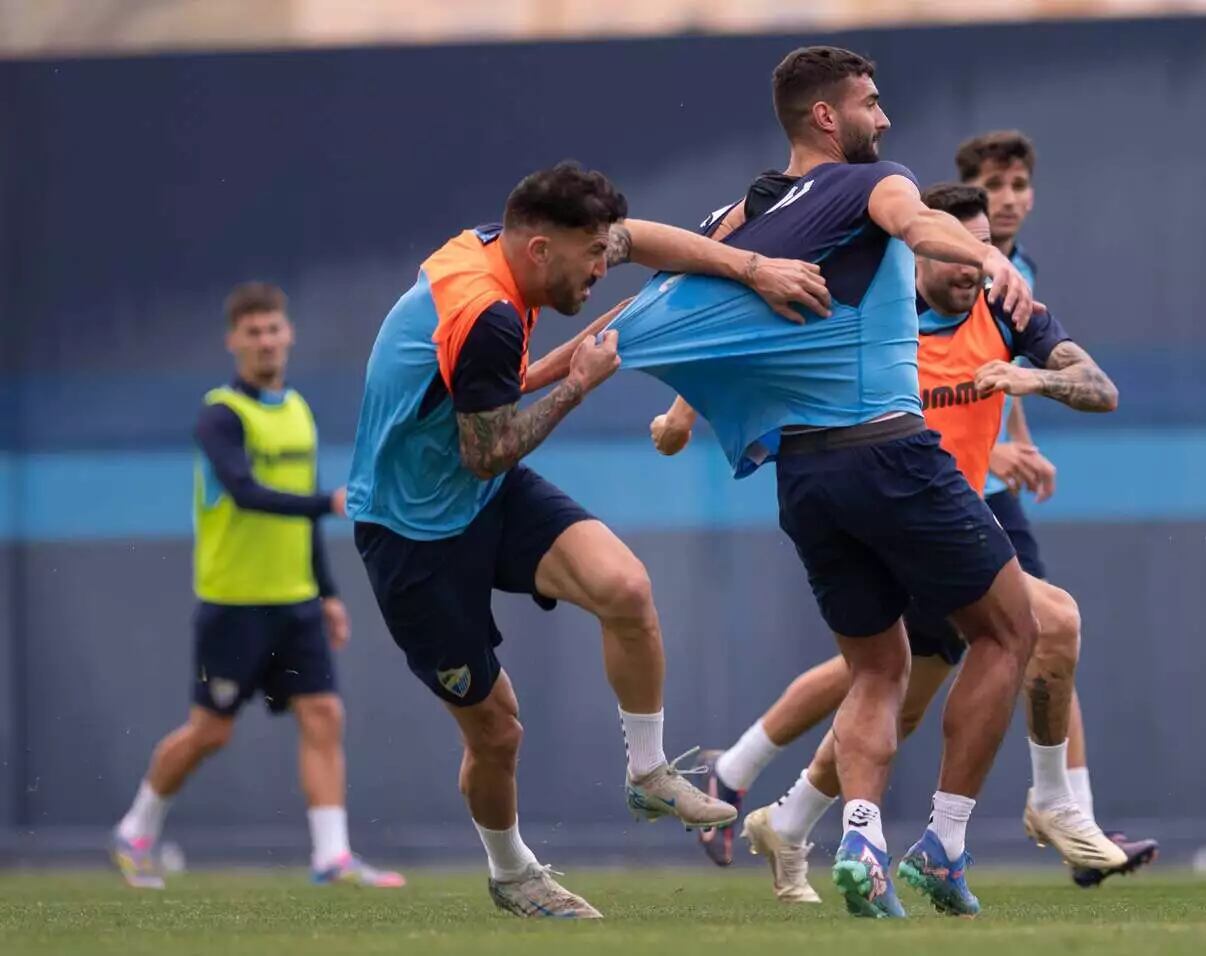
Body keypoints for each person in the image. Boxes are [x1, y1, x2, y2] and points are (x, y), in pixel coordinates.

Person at [611, 46, 1037, 919]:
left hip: (804, 478)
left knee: (877, 669)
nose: (884, 120)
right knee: (1010, 635)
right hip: (891, 453)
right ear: (826, 117)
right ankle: (945, 846)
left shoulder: (751, 213)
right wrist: (988, 259)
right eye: (872, 104)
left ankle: (861, 841)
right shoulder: (876, 184)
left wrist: (682, 416)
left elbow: (708, 311)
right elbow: (918, 225)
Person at [345, 161, 831, 919]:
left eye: (608, 254)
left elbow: (641, 242)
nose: (604, 270)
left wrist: (752, 265)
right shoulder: (486, 314)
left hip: (479, 495)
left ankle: (647, 772)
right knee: (499, 731)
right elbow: (487, 448)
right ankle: (511, 872)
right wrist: (578, 383)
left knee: (625, 588)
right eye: (593, 257)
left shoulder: (498, 248)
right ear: (540, 249)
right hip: (413, 534)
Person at [653, 184, 1149, 908]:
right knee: (1046, 624)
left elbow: (1100, 388)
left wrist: (1029, 379)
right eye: (957, 251)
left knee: (890, 688)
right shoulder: (876, 307)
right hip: (891, 505)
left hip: (941, 514)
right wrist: (678, 412)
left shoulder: (1006, 309)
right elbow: (754, 334)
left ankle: (787, 819)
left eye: (984, 254)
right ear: (918, 248)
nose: (971, 268)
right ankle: (1042, 807)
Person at [111, 282, 404, 890]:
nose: (266, 340)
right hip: (233, 604)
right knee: (209, 732)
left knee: (323, 715)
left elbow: (303, 513)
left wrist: (327, 593)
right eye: (254, 332)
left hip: (294, 600)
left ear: (288, 334)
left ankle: (332, 858)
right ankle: (136, 830)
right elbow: (245, 493)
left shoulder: (297, 409)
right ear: (234, 342)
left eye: (274, 328)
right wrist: (326, 502)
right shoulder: (221, 415)